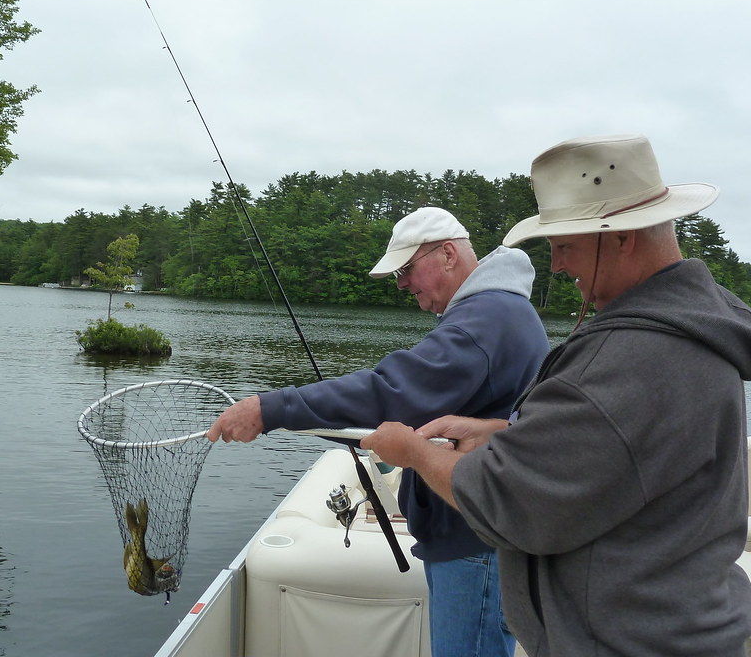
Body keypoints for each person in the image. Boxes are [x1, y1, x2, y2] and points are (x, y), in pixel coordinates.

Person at [361, 134, 751, 657]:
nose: (559, 266)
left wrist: (411, 451)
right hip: (680, 626)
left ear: (620, 238)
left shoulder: (633, 357)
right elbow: (629, 447)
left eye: (565, 246)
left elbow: (510, 502)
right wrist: (511, 434)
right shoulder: (696, 334)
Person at [207, 206, 550, 657]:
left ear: (448, 254)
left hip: (473, 539)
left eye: (407, 269)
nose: (403, 283)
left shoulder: (485, 320)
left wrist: (270, 409)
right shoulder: (499, 310)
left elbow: (391, 394)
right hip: (481, 527)